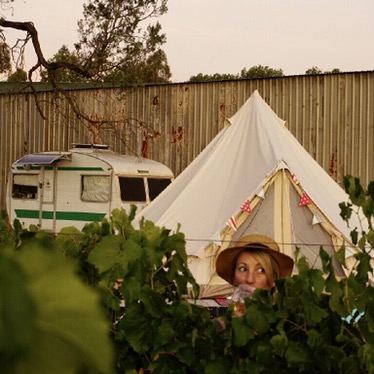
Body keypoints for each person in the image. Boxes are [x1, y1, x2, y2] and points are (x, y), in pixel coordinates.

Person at [213, 234, 294, 323]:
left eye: (261, 270)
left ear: (274, 279)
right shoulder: (217, 329)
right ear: (234, 277)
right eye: (243, 269)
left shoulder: (288, 327)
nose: (250, 279)